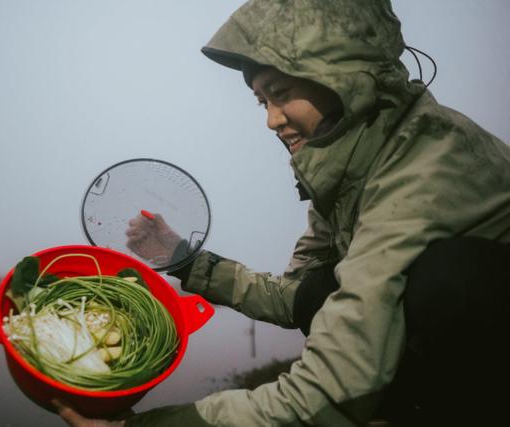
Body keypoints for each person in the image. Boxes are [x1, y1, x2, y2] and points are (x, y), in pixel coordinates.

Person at [57, 0, 510, 425]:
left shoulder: (424, 167)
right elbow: (296, 298)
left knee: (450, 278)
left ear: (340, 78)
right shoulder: (349, 166)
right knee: (321, 290)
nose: (271, 120)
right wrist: (184, 258)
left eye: (281, 93)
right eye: (262, 101)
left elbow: (333, 384)